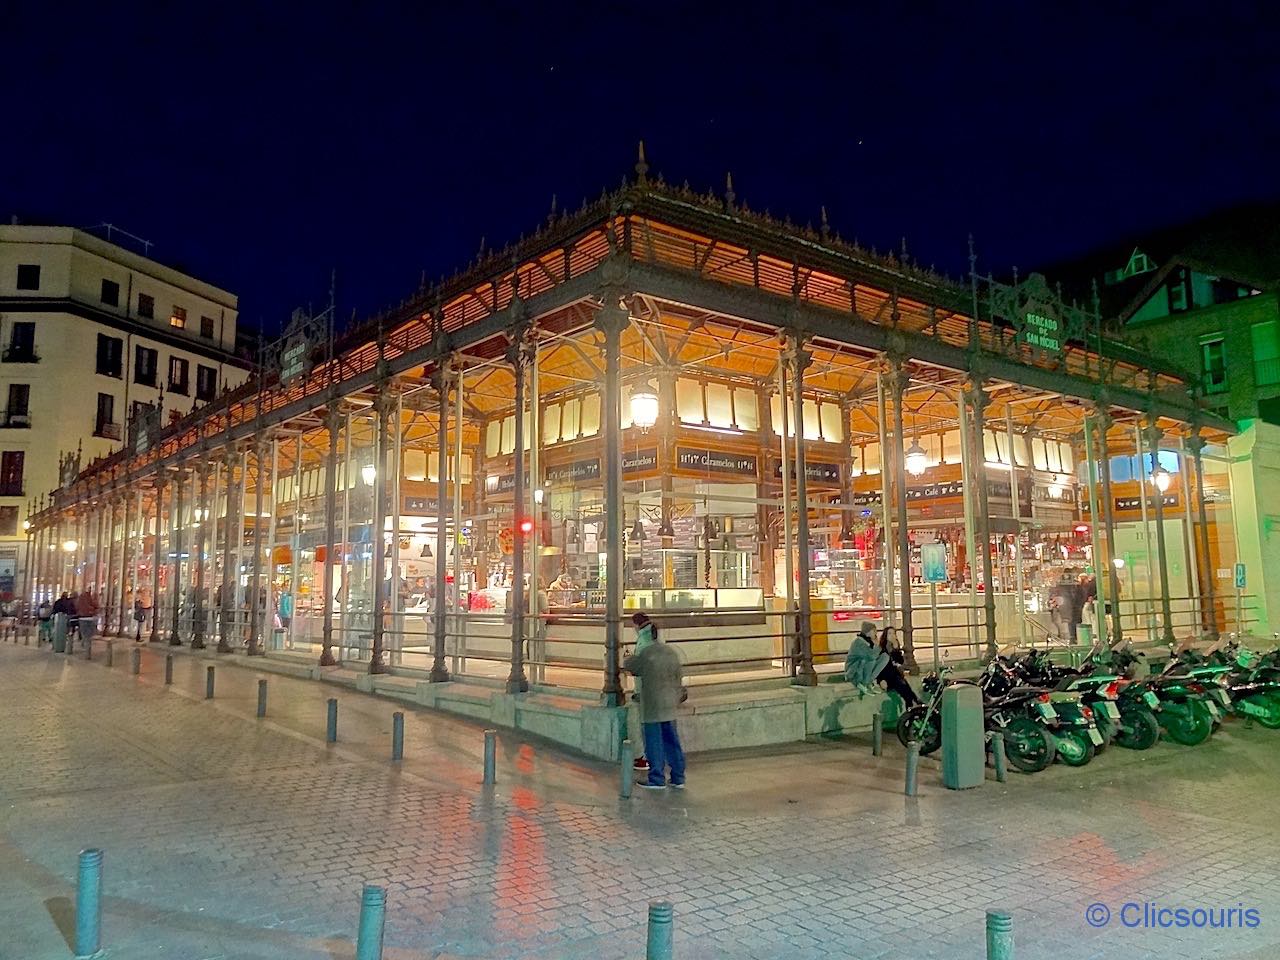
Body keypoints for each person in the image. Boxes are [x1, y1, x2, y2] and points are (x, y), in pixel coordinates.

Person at [623, 615, 686, 790]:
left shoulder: (647, 653)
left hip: (652, 705)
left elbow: (632, 666)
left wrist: (626, 657)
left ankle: (657, 778)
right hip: (670, 703)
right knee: (672, 741)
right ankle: (678, 777)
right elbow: (678, 677)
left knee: (654, 742)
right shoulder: (671, 652)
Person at [628, 612, 659, 772]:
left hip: (645, 690)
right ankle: (654, 759)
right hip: (657, 688)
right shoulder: (654, 635)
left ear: (636, 625)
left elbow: (641, 667)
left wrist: (630, 662)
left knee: (642, 725)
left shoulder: (643, 641)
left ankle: (644, 759)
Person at [874, 626, 920, 708]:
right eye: (889, 633)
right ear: (885, 636)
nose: (892, 636)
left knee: (904, 685)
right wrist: (880, 680)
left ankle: (913, 703)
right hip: (886, 677)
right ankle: (915, 702)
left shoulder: (894, 648)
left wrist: (896, 649)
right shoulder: (881, 650)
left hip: (894, 676)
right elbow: (878, 667)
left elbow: (900, 662)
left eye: (894, 633)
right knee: (903, 685)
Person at [844, 620, 887, 694]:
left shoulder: (869, 641)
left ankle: (869, 681)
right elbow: (872, 656)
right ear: (868, 632)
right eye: (874, 631)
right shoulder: (859, 642)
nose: (876, 633)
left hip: (864, 667)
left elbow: (876, 655)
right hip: (854, 670)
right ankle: (864, 683)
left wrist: (877, 646)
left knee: (885, 657)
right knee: (871, 660)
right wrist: (877, 645)